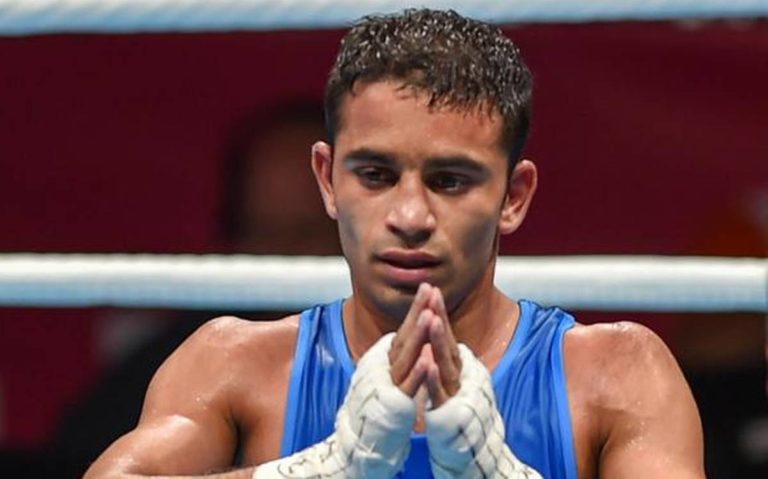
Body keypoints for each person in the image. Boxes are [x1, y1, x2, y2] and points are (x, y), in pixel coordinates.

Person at [85, 8, 704, 478]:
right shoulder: (237, 365)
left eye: (449, 180)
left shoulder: (613, 375)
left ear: (513, 196)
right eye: (376, 175)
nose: (410, 216)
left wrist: (498, 472)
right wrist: (322, 469)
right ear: (328, 180)